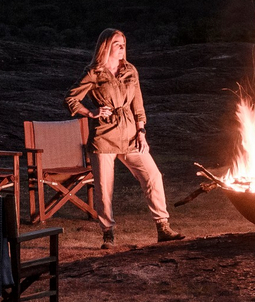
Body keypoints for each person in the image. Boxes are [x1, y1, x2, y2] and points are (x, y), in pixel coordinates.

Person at [65, 28, 185, 248]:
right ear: (106, 46)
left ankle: (162, 226)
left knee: (153, 176)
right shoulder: (94, 72)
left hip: (130, 134)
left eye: (123, 44)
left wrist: (141, 132)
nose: (122, 48)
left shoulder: (130, 70)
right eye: (117, 44)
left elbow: (137, 104)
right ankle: (108, 233)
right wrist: (91, 113)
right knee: (105, 189)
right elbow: (71, 99)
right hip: (104, 136)